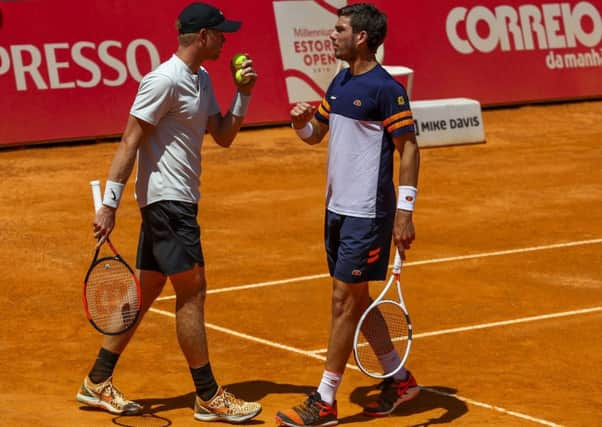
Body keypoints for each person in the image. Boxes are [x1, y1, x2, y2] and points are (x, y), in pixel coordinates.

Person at [76, 2, 262, 423]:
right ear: (203, 37)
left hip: (177, 201)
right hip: (167, 203)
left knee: (146, 291)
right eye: (221, 33)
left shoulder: (202, 78)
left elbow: (224, 136)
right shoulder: (163, 80)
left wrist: (245, 94)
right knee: (192, 292)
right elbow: (129, 141)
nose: (226, 39)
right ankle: (208, 394)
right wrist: (109, 204)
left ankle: (96, 381)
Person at [275, 4, 420, 426]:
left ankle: (324, 399)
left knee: (343, 300)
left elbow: (409, 148)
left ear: (360, 37)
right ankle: (400, 377)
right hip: (336, 212)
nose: (331, 35)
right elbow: (315, 135)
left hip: (367, 215)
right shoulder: (339, 81)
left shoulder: (385, 88)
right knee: (354, 299)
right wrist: (299, 123)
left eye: (339, 29)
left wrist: (404, 214)